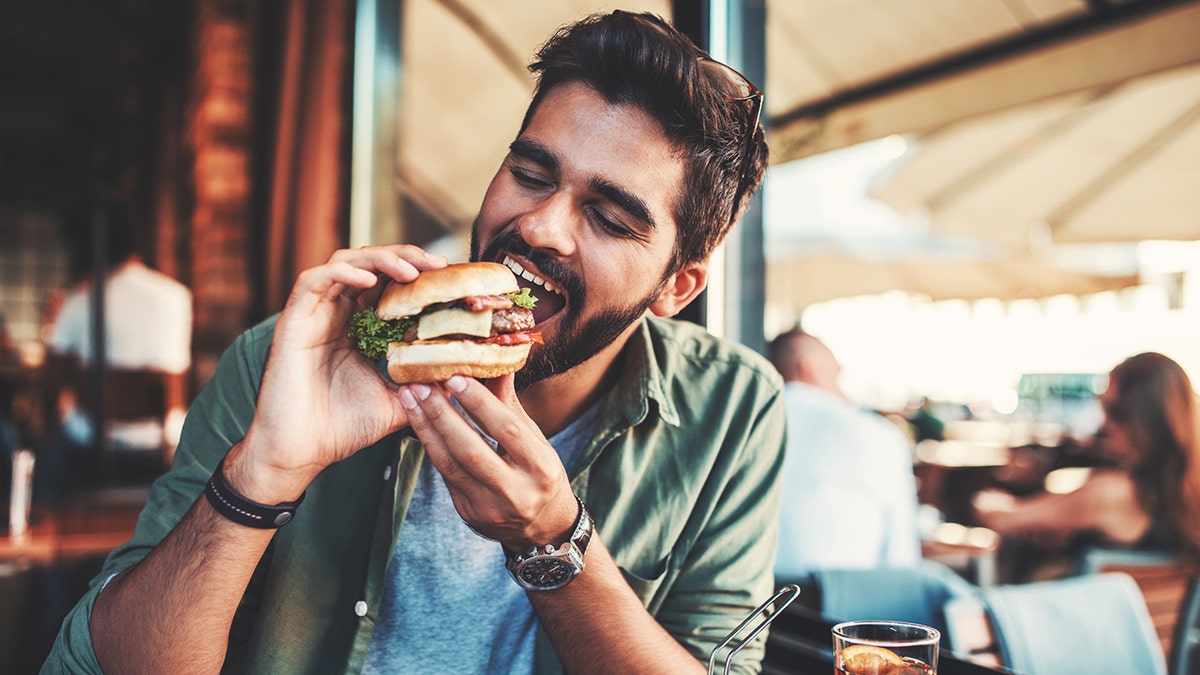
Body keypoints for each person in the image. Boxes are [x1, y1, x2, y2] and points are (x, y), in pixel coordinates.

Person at [45, 11, 785, 674]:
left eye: (611, 219)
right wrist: (262, 472)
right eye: (530, 173)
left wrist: (553, 542)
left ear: (676, 288)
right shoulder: (291, 360)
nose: (541, 227)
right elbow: (100, 663)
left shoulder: (734, 410)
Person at [973, 352, 1200, 581]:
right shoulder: (1186, 497)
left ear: (1146, 417)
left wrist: (991, 503)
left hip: (1070, 614)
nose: (1103, 423)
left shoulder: (1113, 494)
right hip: (1146, 616)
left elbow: (1003, 520)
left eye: (1114, 410)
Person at [38, 203, 192, 494]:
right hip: (162, 439)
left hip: (93, 441)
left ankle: (48, 522)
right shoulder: (177, 297)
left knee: (46, 461)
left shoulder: (80, 300)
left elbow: (51, 376)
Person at [768, 327, 922, 579]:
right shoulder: (875, 432)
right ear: (811, 368)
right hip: (837, 599)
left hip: (755, 603)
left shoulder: (741, 423)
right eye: (837, 373)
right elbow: (900, 553)